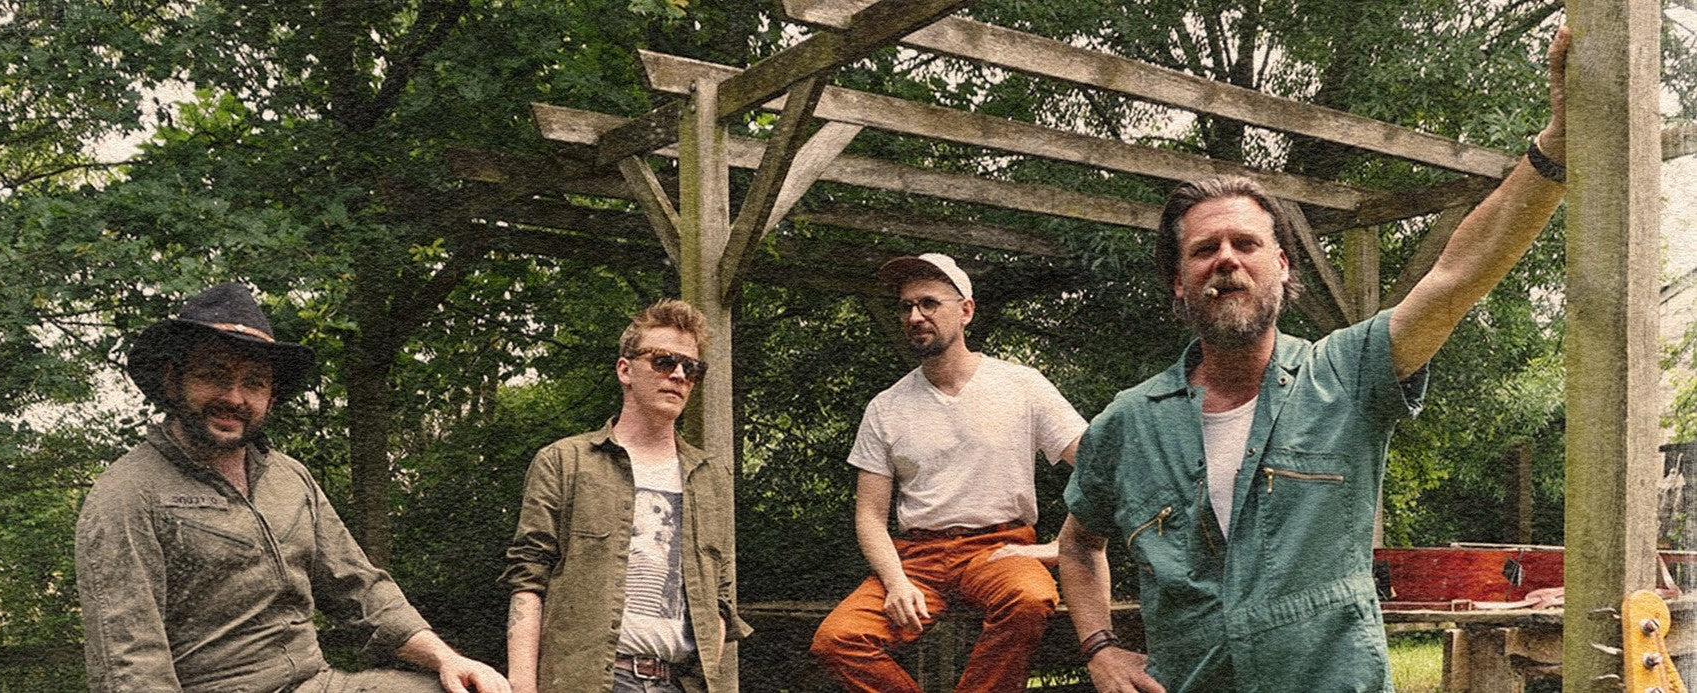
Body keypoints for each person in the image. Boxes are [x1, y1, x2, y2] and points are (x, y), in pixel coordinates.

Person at [1056, 28, 1573, 693]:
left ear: (1281, 267)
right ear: (1177, 283)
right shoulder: (1128, 425)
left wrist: (1556, 147)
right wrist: (1099, 646)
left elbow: (1457, 275)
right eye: (1204, 249)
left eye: (1246, 243)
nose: (1226, 259)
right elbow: (1078, 542)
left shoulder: (1348, 376)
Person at [75, 283, 508, 693]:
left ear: (271, 396)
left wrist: (447, 658)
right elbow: (129, 664)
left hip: (318, 683)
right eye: (214, 374)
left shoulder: (289, 478)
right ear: (172, 379)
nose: (235, 397)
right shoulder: (128, 494)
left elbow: (360, 588)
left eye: (254, 382)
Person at [810, 253, 1089, 692]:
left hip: (999, 551)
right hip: (916, 560)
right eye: (906, 307)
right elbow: (869, 516)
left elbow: (1099, 468)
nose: (915, 316)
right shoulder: (886, 407)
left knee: (1030, 599)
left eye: (929, 303)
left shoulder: (1022, 385)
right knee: (838, 639)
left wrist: (1059, 548)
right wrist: (896, 582)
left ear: (966, 311)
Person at [501, 298, 751, 692]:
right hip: (591, 682)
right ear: (625, 369)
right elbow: (529, 579)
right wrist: (521, 688)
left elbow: (720, 598)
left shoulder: (710, 477)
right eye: (664, 361)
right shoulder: (565, 461)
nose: (679, 375)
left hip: (680, 682)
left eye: (692, 368)